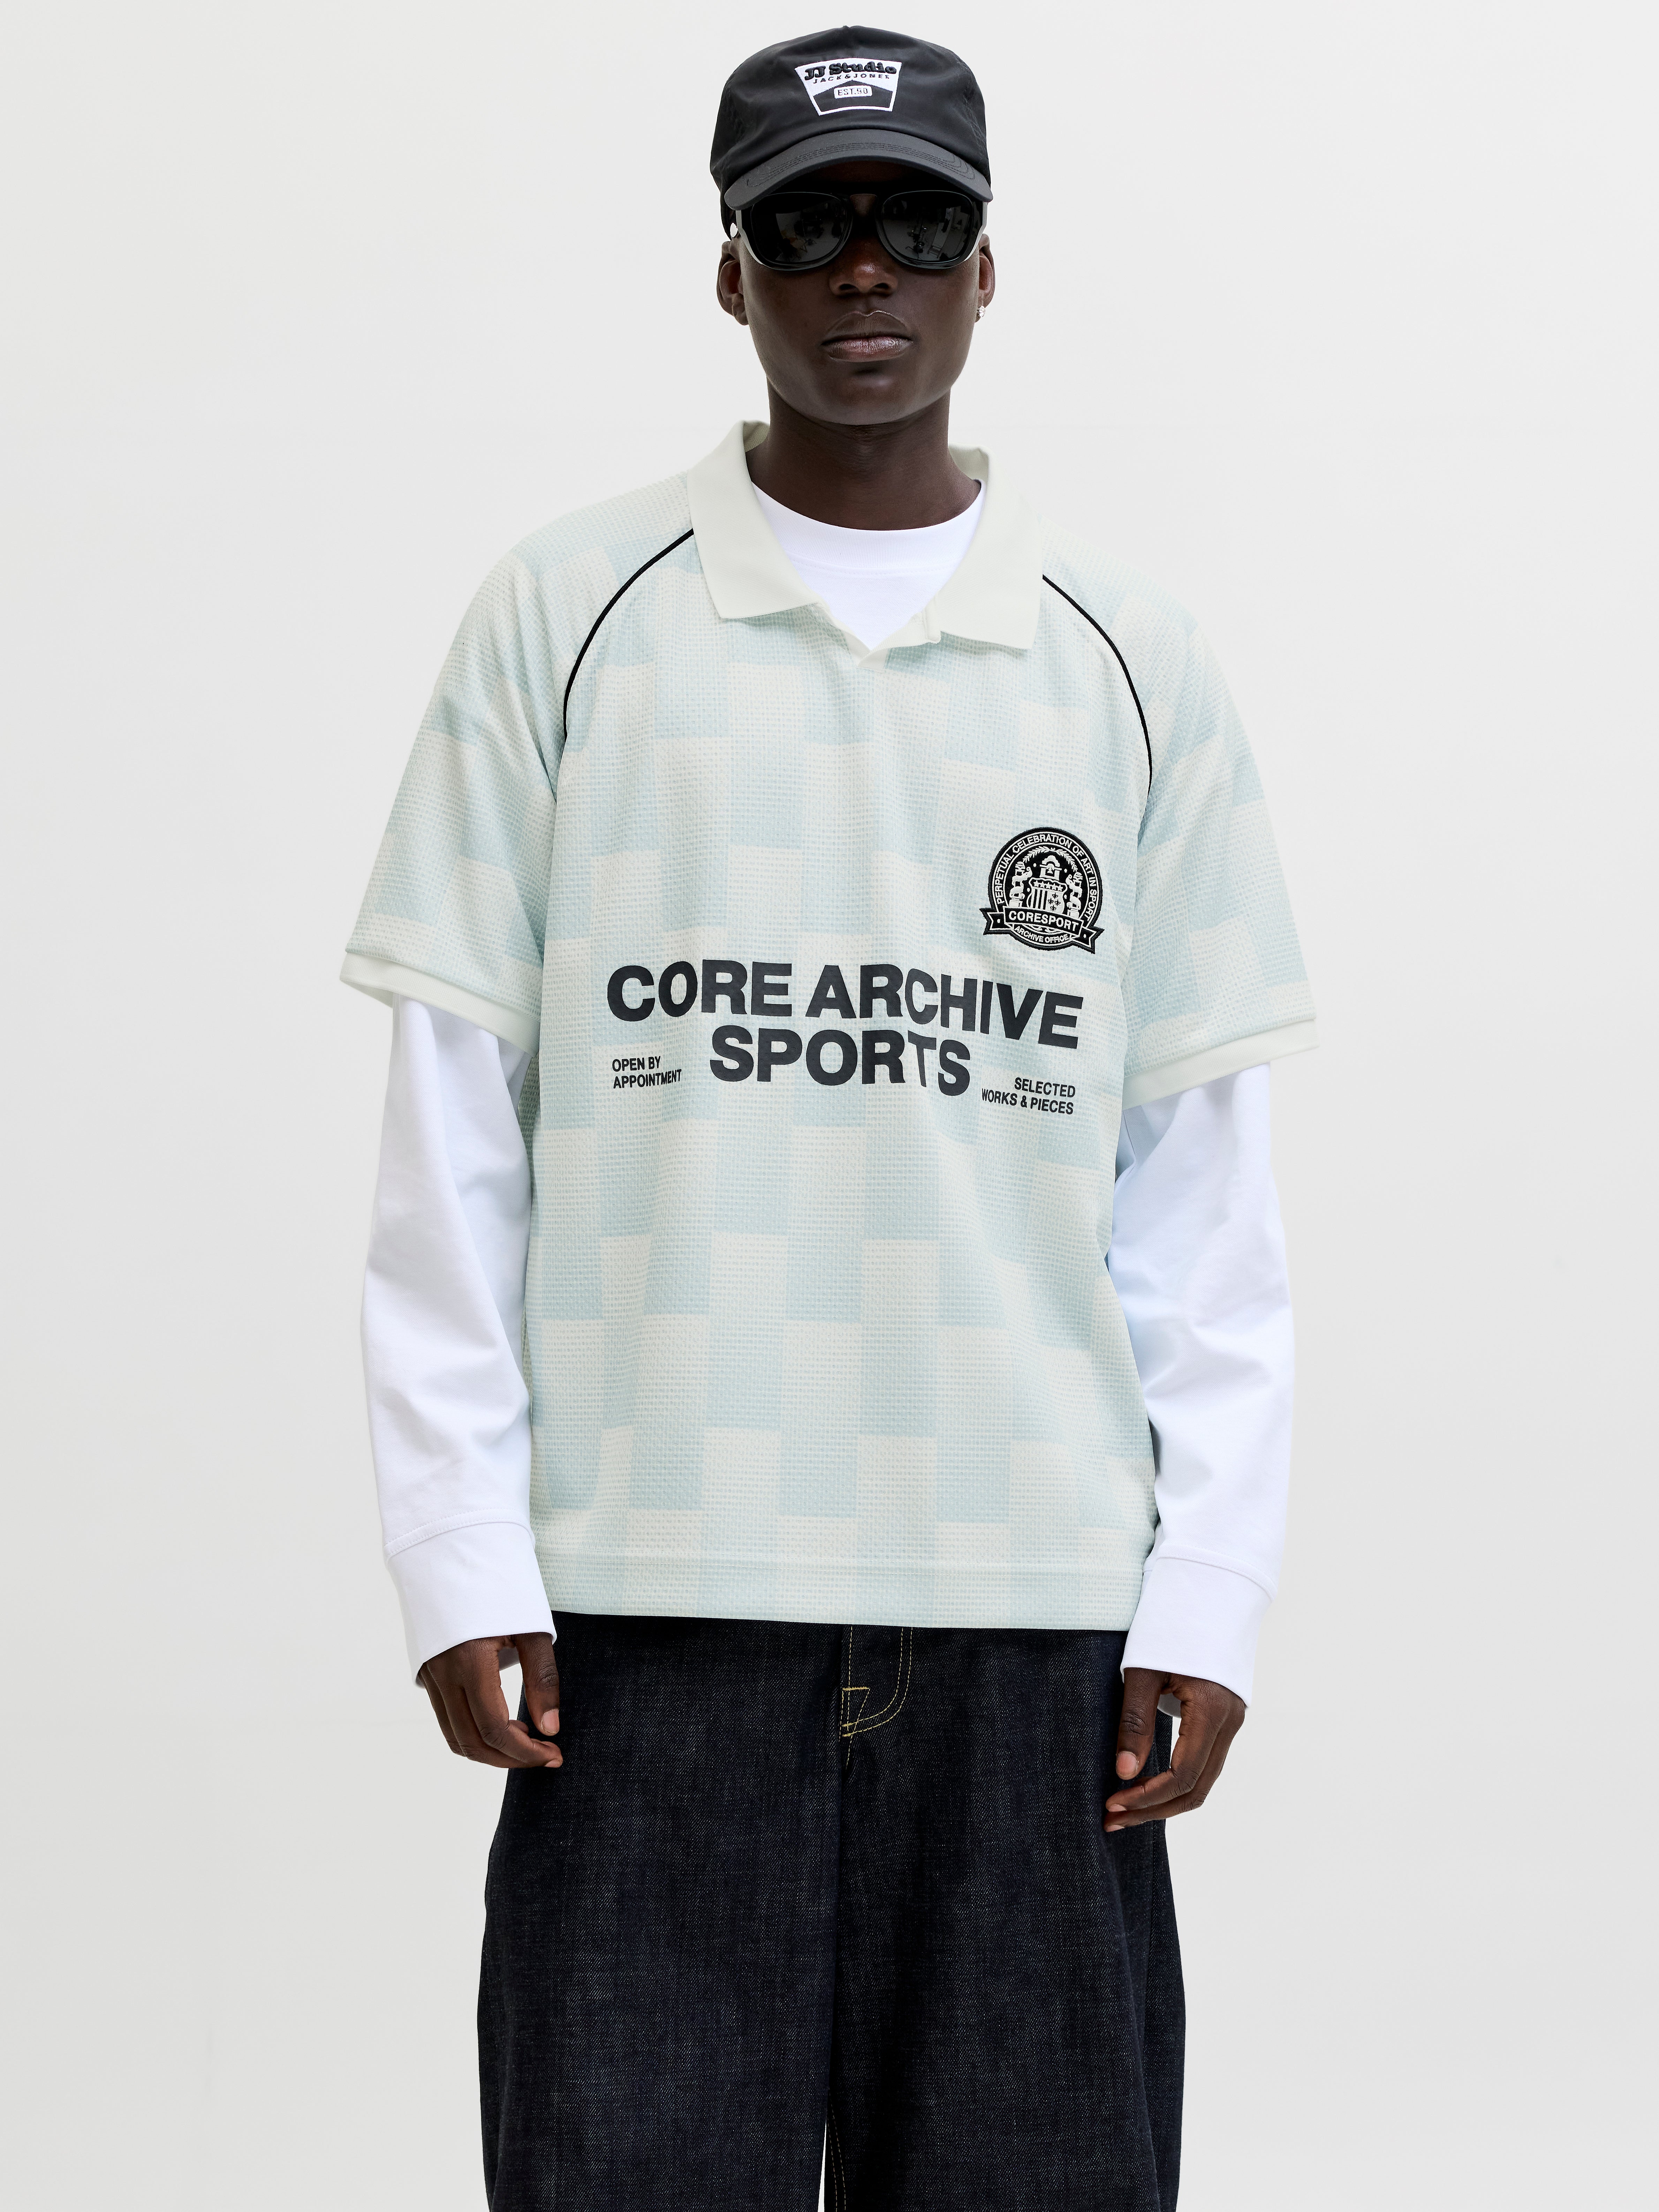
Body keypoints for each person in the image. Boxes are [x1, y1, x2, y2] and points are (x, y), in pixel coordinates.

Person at [342, 25, 1316, 2211]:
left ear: (987, 270)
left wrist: (1208, 1591)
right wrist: (458, 1549)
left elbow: (1197, 1180)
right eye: (805, 225)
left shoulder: (1124, 657)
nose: (861, 270)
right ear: (731, 273)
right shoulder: (565, 622)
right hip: (647, 1598)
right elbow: (451, 1140)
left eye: (914, 223)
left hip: (1036, 1610)